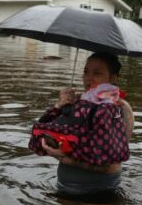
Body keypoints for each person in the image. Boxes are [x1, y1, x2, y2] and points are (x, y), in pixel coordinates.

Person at [28, 51, 134, 195]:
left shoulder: (119, 108)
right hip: (64, 185)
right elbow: (42, 130)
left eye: (96, 73)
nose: (88, 79)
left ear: (113, 78)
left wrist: (67, 159)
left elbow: (110, 165)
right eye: (86, 72)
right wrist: (59, 106)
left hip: (99, 190)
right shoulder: (76, 101)